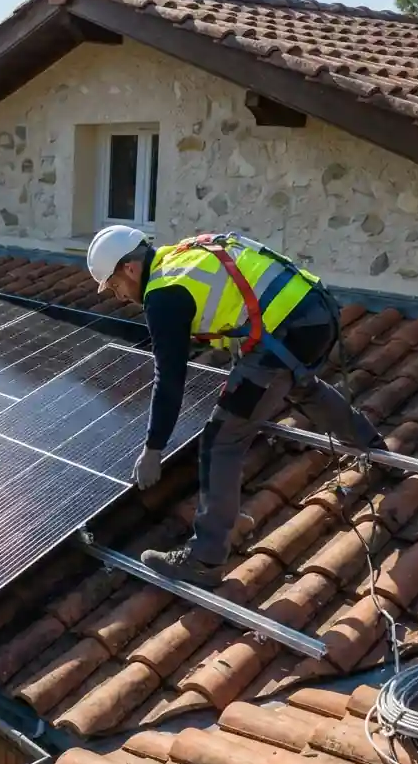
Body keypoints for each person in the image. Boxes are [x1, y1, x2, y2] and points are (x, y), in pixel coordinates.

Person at [87, 225, 384, 588]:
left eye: (116, 285)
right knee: (299, 385)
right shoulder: (181, 256)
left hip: (287, 330)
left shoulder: (163, 294)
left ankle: (203, 559)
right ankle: (375, 450)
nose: (118, 296)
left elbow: (169, 378)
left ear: (130, 269)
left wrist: (154, 448)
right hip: (317, 313)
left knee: (221, 438)